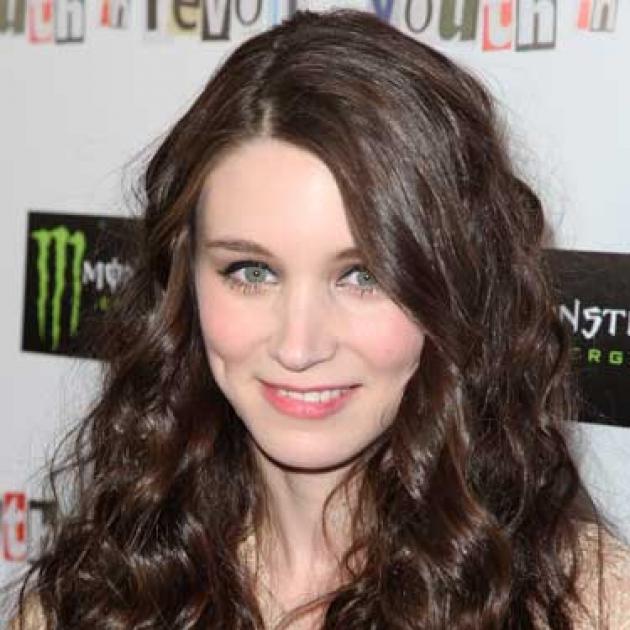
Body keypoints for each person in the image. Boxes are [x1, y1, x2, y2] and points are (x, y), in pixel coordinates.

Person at [8, 8, 630, 629]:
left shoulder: (587, 608)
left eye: (363, 276)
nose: (298, 346)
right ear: (184, 282)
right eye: (252, 272)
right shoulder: (94, 598)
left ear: (456, 289)